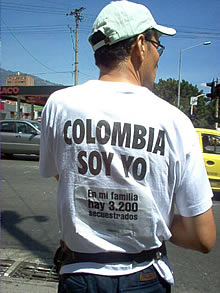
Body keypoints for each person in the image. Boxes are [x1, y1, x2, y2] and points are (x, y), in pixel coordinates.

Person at [39, 1, 216, 292]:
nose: (159, 55)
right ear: (140, 45)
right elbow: (203, 237)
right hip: (145, 278)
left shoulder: (59, 106)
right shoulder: (174, 121)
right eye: (157, 44)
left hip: (78, 276)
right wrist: (151, 213)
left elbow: (65, 175)